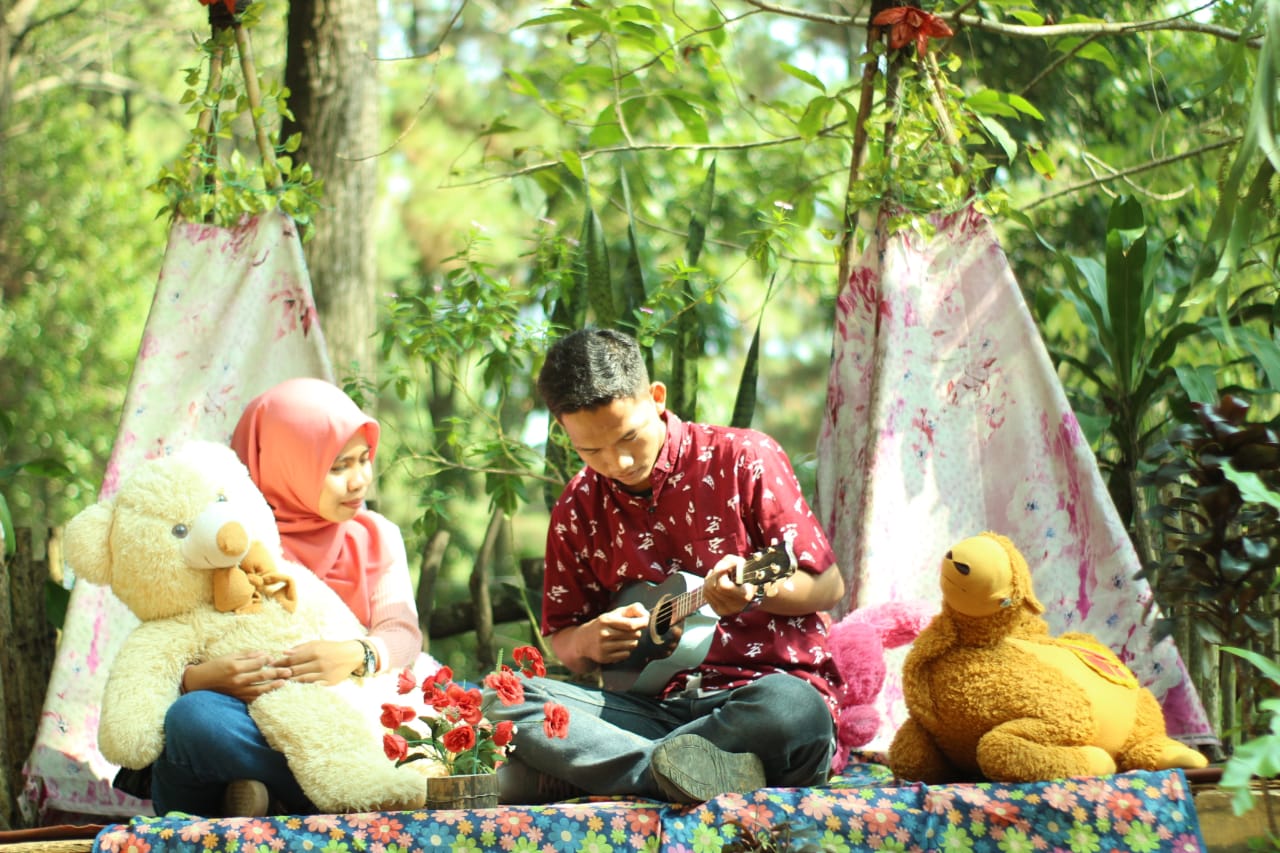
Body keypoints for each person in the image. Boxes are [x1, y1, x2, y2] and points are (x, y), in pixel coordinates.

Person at [488, 328, 845, 804]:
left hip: (755, 702)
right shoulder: (577, 505)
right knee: (501, 696)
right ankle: (670, 770)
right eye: (591, 450)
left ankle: (615, 769)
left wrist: (757, 592)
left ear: (657, 398)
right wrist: (589, 640)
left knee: (795, 710)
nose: (618, 461)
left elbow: (828, 585)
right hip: (648, 712)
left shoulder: (743, 457)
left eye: (628, 436)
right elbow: (565, 641)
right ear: (564, 432)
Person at [144, 377, 435, 817]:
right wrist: (200, 679)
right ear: (285, 465)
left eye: (364, 460)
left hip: (346, 719)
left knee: (466, 700)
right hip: (250, 718)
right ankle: (318, 791)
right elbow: (163, 650)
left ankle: (269, 793)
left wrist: (355, 654)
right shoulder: (224, 539)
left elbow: (402, 634)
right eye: (338, 468)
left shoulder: (375, 536)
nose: (359, 481)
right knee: (194, 719)